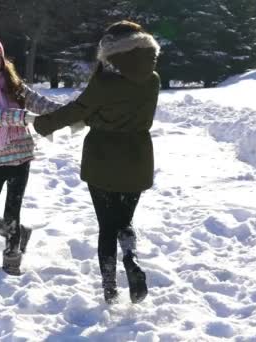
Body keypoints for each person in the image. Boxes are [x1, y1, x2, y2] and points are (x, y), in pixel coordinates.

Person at [30, 20, 161, 304]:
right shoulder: (153, 79)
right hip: (137, 158)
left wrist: (43, 125)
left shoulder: (105, 82)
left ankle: (110, 289)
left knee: (106, 226)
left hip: (103, 159)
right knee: (125, 220)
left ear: (111, 49)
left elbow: (80, 109)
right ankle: (130, 256)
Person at [0, 31, 62, 276]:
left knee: (11, 212)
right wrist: (23, 117)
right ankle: (19, 233)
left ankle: (12, 258)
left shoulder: (14, 85)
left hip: (20, 154)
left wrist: (70, 112)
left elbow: (40, 103)